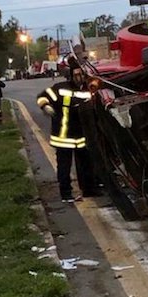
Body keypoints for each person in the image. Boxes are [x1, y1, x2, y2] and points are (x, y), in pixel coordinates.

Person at [37, 55, 100, 203]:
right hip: (63, 136)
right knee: (64, 167)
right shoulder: (60, 89)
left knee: (86, 164)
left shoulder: (88, 89)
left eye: (80, 74)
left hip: (81, 136)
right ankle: (66, 194)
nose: (78, 77)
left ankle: (89, 189)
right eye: (75, 75)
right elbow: (42, 97)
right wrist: (47, 107)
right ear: (70, 76)